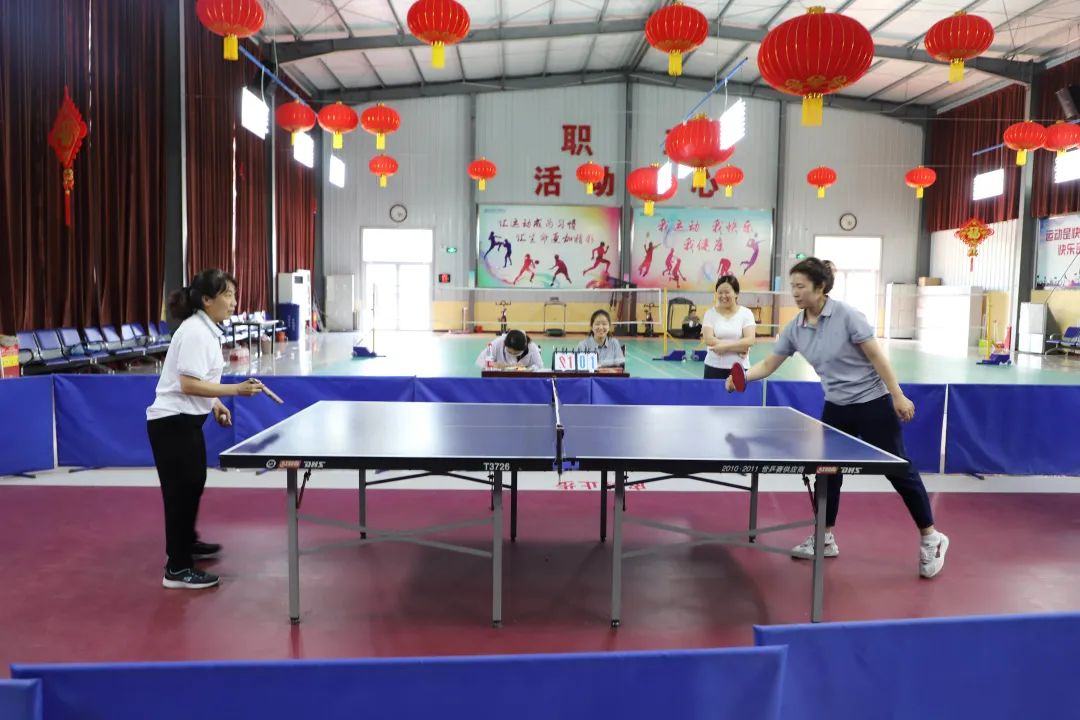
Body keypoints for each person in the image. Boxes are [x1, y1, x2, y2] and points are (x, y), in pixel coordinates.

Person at [726, 257, 949, 578]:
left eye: (801, 286)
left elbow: (877, 356)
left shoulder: (847, 316)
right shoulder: (796, 328)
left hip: (872, 403)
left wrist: (897, 395)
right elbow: (770, 364)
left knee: (898, 469)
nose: (795, 292)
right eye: (793, 286)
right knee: (827, 473)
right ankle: (825, 537)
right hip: (836, 407)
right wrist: (743, 377)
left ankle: (931, 537)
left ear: (820, 287)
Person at [146, 269, 266, 590]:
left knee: (193, 485)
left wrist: (215, 403)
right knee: (180, 494)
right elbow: (188, 384)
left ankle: (187, 542)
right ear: (207, 300)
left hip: (185, 421)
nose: (234, 302)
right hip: (172, 423)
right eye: (227, 295)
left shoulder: (207, 330)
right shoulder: (196, 332)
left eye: (234, 294)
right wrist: (235, 391)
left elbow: (198, 380)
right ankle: (177, 568)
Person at [701, 274, 756, 380]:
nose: (723, 296)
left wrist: (724, 347)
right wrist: (739, 347)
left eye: (727, 292)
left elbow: (750, 340)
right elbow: (709, 339)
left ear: (736, 293)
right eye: (720, 292)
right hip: (713, 367)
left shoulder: (746, 313)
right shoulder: (710, 314)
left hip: (739, 368)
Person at [476, 329, 543, 371]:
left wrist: (527, 369)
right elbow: (481, 361)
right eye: (509, 352)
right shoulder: (497, 343)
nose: (512, 355)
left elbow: (539, 366)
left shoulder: (532, 347)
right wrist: (498, 365)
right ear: (504, 344)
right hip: (499, 378)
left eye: (516, 353)